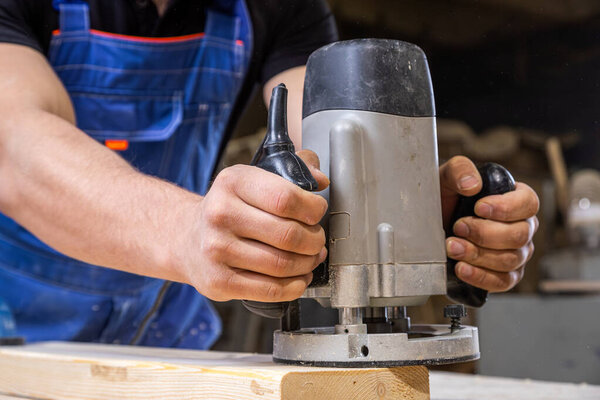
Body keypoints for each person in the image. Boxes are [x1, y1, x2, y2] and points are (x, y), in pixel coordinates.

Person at [0, 0, 539, 349]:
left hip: (167, 333)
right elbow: (16, 147)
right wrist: (187, 233)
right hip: (18, 336)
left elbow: (327, 157)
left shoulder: (282, 8)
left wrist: (414, 211)